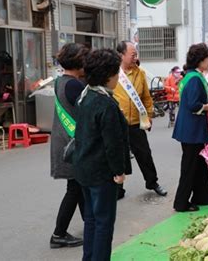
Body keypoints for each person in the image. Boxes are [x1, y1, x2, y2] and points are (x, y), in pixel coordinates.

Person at [72, 48, 130, 261]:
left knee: (92, 220)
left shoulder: (85, 95)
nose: (118, 77)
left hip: (83, 167)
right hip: (101, 171)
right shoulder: (106, 103)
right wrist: (119, 171)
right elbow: (112, 143)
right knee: (104, 223)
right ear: (108, 75)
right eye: (116, 72)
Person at [114, 41, 167, 197]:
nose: (135, 57)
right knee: (119, 156)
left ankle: (152, 182)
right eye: (132, 54)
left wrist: (148, 116)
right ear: (121, 55)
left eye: (136, 54)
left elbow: (146, 97)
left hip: (137, 122)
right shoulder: (112, 73)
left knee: (144, 154)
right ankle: (118, 187)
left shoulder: (140, 73)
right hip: (118, 123)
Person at [49, 43, 88, 249]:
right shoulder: (74, 85)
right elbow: (87, 112)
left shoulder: (60, 81)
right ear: (78, 62)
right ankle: (59, 233)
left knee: (78, 185)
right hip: (72, 144)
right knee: (74, 187)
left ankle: (89, 222)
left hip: (63, 141)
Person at [172, 43, 208, 212]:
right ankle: (181, 202)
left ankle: (203, 197)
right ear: (199, 61)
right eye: (207, 59)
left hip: (190, 128)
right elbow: (193, 104)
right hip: (192, 129)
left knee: (198, 164)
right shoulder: (195, 79)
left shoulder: (189, 76)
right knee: (190, 166)